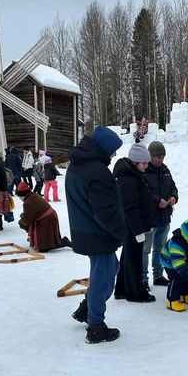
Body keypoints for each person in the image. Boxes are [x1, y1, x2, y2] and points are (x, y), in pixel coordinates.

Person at [66, 126, 127, 344]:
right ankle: (95, 326)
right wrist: (124, 232)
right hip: (97, 233)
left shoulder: (78, 164)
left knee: (112, 269)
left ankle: (85, 309)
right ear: (104, 148)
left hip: (86, 230)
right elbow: (106, 212)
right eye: (113, 150)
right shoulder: (98, 172)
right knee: (104, 280)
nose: (115, 155)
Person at [112, 143, 157, 302]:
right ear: (135, 162)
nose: (146, 166)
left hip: (133, 226)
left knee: (128, 258)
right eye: (144, 163)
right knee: (134, 260)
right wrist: (138, 231)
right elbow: (130, 207)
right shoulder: (129, 179)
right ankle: (135, 293)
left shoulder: (134, 175)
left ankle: (122, 290)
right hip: (132, 227)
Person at [142, 141, 178, 288]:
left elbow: (173, 187)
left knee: (160, 248)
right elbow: (144, 193)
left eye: (162, 157)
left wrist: (174, 197)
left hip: (164, 217)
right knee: (145, 249)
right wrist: (157, 201)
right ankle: (143, 278)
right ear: (150, 156)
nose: (160, 160)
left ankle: (158, 275)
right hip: (150, 218)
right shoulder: (144, 171)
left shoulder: (165, 170)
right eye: (157, 157)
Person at [16, 181, 71, 251]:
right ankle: (51, 242)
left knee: (43, 248)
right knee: (46, 242)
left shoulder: (28, 202)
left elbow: (26, 220)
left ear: (22, 195)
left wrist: (21, 222)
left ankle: (63, 242)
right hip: (48, 216)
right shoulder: (33, 196)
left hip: (46, 219)